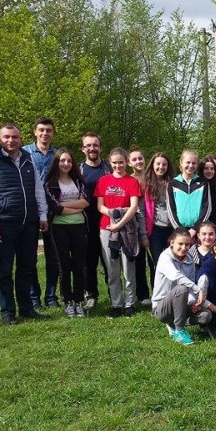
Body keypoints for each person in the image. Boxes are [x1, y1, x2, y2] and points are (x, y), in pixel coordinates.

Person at [0, 123, 49, 324]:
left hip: (29, 222)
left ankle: (27, 308)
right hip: (5, 223)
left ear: (20, 139)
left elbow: (38, 190)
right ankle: (7, 312)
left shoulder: (29, 160)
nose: (11, 140)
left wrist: (42, 215)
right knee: (5, 269)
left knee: (27, 267)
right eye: (6, 137)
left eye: (15, 137)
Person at [95, 147, 141, 318]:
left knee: (128, 267)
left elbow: (134, 206)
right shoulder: (103, 181)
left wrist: (120, 222)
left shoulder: (132, 182)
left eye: (121, 162)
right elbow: (100, 206)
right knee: (112, 268)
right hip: (107, 229)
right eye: (114, 163)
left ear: (126, 162)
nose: (118, 166)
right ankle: (116, 303)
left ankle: (130, 303)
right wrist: (113, 216)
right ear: (110, 163)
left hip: (127, 229)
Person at [44, 148, 89, 317]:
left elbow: (86, 202)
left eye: (69, 161)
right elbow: (56, 208)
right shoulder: (50, 184)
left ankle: (78, 301)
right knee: (64, 266)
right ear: (57, 162)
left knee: (79, 265)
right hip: (59, 228)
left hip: (79, 226)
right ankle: (67, 301)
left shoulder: (78, 181)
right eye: (62, 160)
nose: (66, 164)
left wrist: (65, 206)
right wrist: (71, 207)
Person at [151, 228, 213, 346]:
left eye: (187, 244)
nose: (184, 248)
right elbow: (177, 277)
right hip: (161, 308)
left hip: (181, 304)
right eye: (180, 244)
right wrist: (198, 289)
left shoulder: (190, 259)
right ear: (172, 243)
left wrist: (193, 303)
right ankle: (179, 331)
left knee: (206, 315)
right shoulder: (165, 257)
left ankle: (174, 323)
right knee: (181, 288)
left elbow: (190, 284)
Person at [23, 117, 60, 309]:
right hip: (30, 208)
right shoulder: (25, 153)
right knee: (29, 256)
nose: (45, 134)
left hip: (53, 210)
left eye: (49, 130)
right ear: (35, 132)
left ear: (53, 133)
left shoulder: (58, 155)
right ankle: (33, 296)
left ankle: (51, 295)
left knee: (53, 256)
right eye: (42, 130)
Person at [79, 132, 111, 310]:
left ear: (100, 147)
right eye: (88, 145)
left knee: (110, 261)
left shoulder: (109, 169)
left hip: (108, 221)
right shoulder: (78, 170)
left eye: (95, 145)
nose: (92, 148)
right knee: (88, 261)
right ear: (83, 149)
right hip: (86, 223)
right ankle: (90, 295)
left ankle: (114, 293)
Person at [166, 150, 212, 239]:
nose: (190, 166)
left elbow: (207, 208)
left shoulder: (203, 183)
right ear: (181, 163)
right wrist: (180, 230)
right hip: (179, 231)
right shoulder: (172, 183)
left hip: (199, 231)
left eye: (194, 163)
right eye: (188, 162)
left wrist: (195, 229)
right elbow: (170, 209)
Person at [143, 151, 174, 280]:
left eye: (164, 164)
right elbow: (142, 210)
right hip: (155, 229)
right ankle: (157, 293)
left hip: (171, 229)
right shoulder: (146, 184)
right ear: (152, 165)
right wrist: (143, 233)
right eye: (158, 164)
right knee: (156, 262)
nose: (161, 167)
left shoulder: (173, 183)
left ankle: (171, 294)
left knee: (173, 262)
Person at [128, 146, 151, 307]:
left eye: (140, 158)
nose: (138, 161)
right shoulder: (130, 180)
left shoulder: (152, 178)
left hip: (154, 224)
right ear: (129, 163)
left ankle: (159, 292)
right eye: (134, 159)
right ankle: (142, 294)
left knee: (155, 261)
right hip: (137, 225)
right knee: (139, 262)